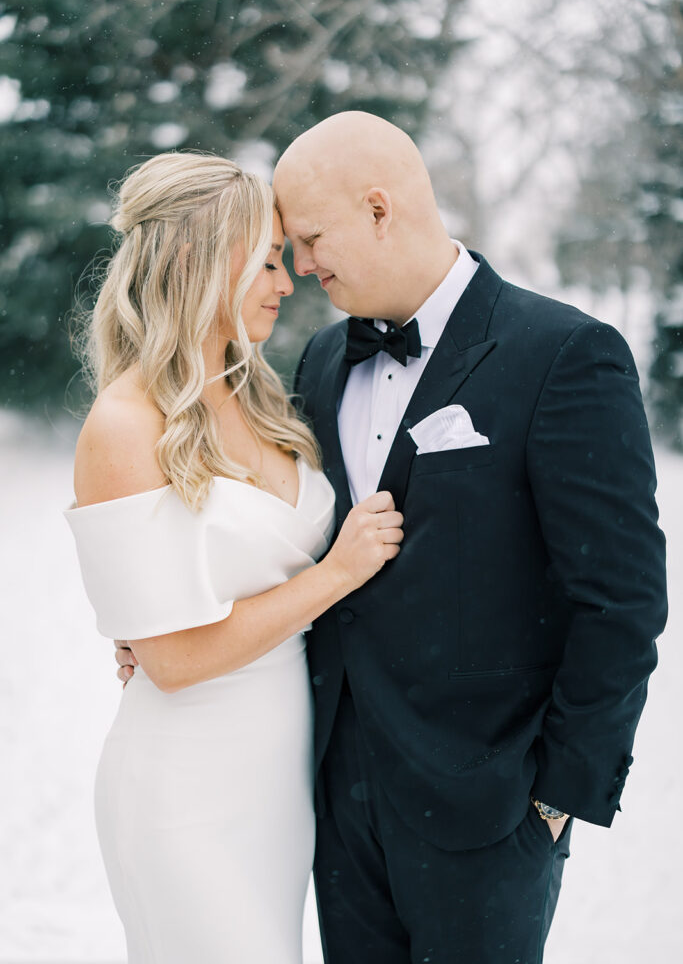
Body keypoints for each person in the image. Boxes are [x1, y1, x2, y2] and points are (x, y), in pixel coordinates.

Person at [115, 113, 667, 963]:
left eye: (308, 238)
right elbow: (277, 533)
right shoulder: (323, 361)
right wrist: (163, 614)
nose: (299, 268)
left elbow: (621, 601)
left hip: (489, 813)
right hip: (327, 801)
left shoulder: (561, 354)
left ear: (378, 209)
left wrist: (557, 799)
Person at [64, 151, 404, 964]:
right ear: (193, 258)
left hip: (278, 785)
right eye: (267, 259)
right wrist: (335, 576)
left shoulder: (258, 390)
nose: (288, 281)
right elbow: (173, 660)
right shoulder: (125, 424)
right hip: (184, 791)